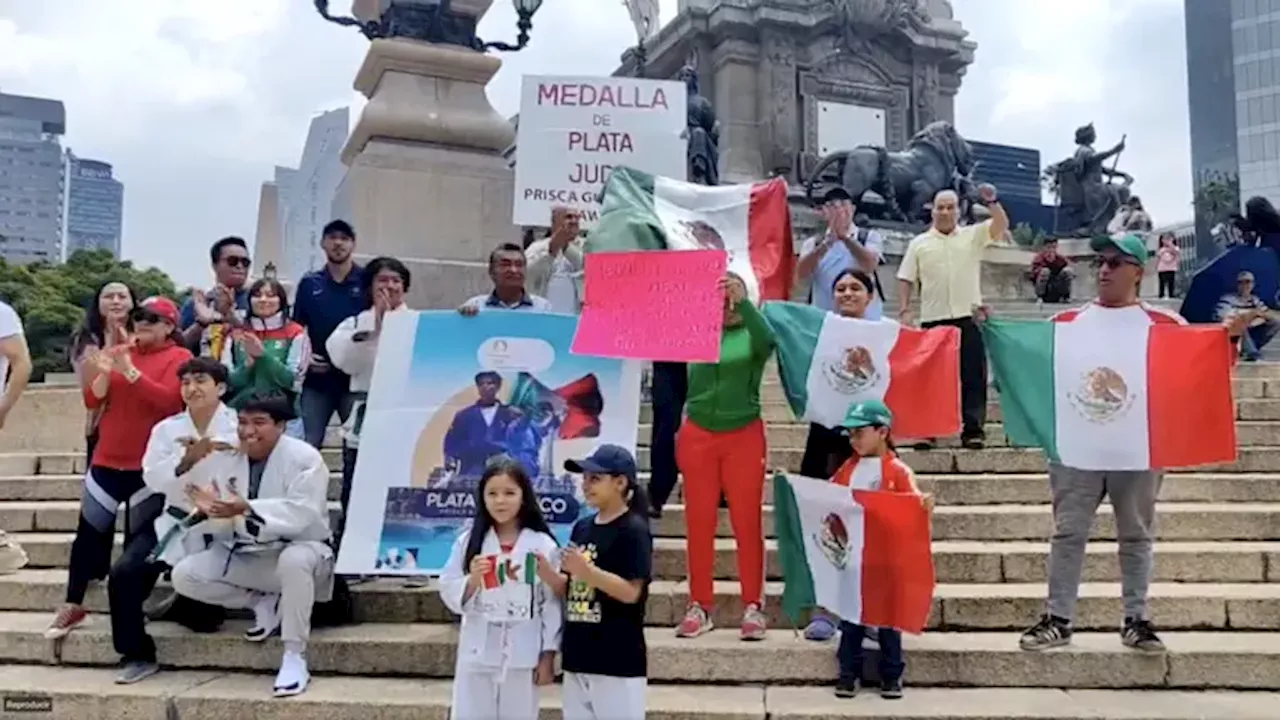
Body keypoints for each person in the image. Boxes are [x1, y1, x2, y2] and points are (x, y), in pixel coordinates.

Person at [1016, 234, 1249, 655]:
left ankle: (1136, 620)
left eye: (1116, 262)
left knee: (1136, 535)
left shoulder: (1163, 325)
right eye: (1101, 262)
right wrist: (991, 333)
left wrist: (1228, 339)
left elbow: (1207, 368)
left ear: (1139, 272)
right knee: (1068, 533)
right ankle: (1058, 619)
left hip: (1137, 449)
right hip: (1077, 449)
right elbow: (1028, 364)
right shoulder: (1066, 323)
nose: (1104, 269)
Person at [170, 392, 334, 697]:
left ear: (282, 425)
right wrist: (210, 506)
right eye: (243, 422)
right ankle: (261, 602)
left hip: (305, 552)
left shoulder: (305, 458)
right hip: (250, 552)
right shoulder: (230, 454)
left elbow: (303, 512)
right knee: (185, 575)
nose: (248, 431)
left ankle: (294, 655)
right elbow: (207, 495)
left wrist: (247, 508)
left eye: (259, 423)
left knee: (295, 560)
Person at [47, 297, 192, 639]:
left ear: (170, 326)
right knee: (88, 534)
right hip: (108, 458)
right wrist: (103, 370)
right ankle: (72, 603)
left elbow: (169, 401)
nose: (143, 323)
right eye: (139, 317)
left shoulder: (180, 358)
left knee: (136, 543)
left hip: (147, 465)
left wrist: (129, 370)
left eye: (153, 319)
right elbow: (93, 400)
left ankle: (131, 607)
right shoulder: (121, 350)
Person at [111, 357, 239, 684]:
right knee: (125, 574)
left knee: (206, 619)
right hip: (175, 520)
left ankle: (182, 604)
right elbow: (153, 477)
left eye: (201, 381)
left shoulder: (239, 426)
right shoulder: (167, 430)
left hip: (220, 525)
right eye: (186, 382)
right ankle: (136, 652)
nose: (192, 388)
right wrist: (184, 463)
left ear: (220, 387)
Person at [675, 273, 775, 640]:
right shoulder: (697, 332)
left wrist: (745, 305)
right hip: (698, 433)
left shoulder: (752, 333)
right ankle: (699, 605)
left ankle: (754, 606)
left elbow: (769, 341)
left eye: (733, 293)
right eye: (722, 293)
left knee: (746, 521)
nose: (727, 301)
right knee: (698, 521)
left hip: (744, 434)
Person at [796, 268, 886, 642]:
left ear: (870, 296)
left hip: (869, 446)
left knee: (871, 529)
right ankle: (826, 609)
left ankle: (870, 612)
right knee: (828, 524)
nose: (847, 293)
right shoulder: (820, 329)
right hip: (825, 439)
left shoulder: (886, 335)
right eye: (840, 288)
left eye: (856, 288)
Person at [439, 459, 562, 720]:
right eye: (492, 494)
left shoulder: (541, 545)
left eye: (509, 493)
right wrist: (472, 580)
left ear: (523, 497)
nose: (500, 501)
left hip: (524, 651)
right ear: (482, 497)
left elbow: (550, 603)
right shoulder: (469, 541)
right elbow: (448, 587)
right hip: (478, 649)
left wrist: (548, 653)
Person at [828, 399, 930, 700]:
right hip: (855, 562)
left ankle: (892, 674)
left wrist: (923, 505)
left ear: (882, 431)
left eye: (860, 432)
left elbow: (913, 507)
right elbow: (829, 497)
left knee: (889, 622)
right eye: (850, 434)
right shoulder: (848, 468)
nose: (854, 439)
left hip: (887, 561)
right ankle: (848, 673)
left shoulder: (898, 470)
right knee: (851, 621)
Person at [897, 185, 1009, 449]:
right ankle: (927, 430)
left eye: (950, 207)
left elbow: (1001, 224)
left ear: (959, 211)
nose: (945, 212)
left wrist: (992, 201)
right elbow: (905, 278)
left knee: (973, 376)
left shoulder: (973, 236)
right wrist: (904, 308)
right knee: (930, 380)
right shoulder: (919, 243)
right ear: (932, 211)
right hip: (933, 319)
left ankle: (973, 430)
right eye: (940, 207)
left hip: (967, 317)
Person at [559, 445, 652, 720]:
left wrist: (588, 572)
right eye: (584, 478)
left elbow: (631, 592)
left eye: (595, 479)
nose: (586, 485)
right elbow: (572, 587)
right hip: (578, 654)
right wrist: (549, 574)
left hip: (616, 657)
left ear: (620, 482)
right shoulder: (583, 527)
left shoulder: (634, 530)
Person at [327, 257, 411, 548]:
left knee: (400, 486)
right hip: (366, 413)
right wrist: (376, 328)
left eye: (396, 280)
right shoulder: (353, 324)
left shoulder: (419, 322)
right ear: (370, 286)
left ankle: (397, 548)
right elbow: (345, 362)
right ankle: (353, 548)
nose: (389, 286)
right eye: (382, 280)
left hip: (404, 417)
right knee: (356, 485)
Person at [293, 220, 364, 449]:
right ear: (323, 243)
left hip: (354, 380)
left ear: (353, 244)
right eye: (333, 238)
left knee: (357, 447)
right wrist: (306, 356)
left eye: (344, 238)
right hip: (317, 381)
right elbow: (295, 329)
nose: (338, 243)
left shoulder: (366, 282)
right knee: (306, 446)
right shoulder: (309, 283)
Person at [222, 278, 310, 433]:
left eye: (270, 295)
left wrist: (264, 357)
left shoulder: (296, 333)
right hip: (239, 417)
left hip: (283, 418)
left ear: (281, 301)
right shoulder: (236, 334)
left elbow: (293, 382)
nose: (263, 300)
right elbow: (227, 383)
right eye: (257, 295)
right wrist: (247, 366)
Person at [69, 281, 137, 465]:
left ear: (132, 303)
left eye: (122, 297)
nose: (116, 301)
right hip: (102, 420)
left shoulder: (144, 333)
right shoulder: (86, 338)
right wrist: (111, 344)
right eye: (108, 297)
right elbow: (90, 382)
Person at [797, 187, 885, 319]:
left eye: (844, 205)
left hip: (864, 319)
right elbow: (801, 273)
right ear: (823, 212)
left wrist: (846, 238)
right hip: (825, 317)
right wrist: (826, 244)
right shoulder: (813, 243)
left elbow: (870, 265)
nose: (839, 210)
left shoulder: (869, 237)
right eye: (832, 206)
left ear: (853, 209)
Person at [443, 372, 521, 479]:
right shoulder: (464, 415)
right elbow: (452, 441)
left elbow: (520, 442)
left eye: (490, 383)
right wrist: (450, 458)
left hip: (502, 468)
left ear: (498, 386)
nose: (485, 387)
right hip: (471, 468)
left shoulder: (510, 414)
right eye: (481, 384)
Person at [180, 236, 252, 353]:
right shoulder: (197, 304)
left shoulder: (259, 301)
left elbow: (264, 345)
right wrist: (201, 324)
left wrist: (230, 317)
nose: (240, 266)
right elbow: (179, 348)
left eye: (245, 262)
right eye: (232, 261)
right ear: (214, 265)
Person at [459, 244, 552, 315]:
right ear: (491, 272)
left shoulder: (543, 309)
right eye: (505, 264)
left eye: (519, 265)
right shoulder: (476, 307)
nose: (513, 270)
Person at [525, 207, 584, 314]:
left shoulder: (587, 246)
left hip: (578, 319)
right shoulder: (537, 247)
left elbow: (589, 269)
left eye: (577, 218)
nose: (574, 221)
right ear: (554, 222)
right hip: (544, 317)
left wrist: (566, 247)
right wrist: (550, 252)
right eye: (568, 217)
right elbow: (527, 274)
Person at [1216, 270, 1278, 361]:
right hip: (1230, 334)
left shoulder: (1255, 300)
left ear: (1253, 285)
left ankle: (1250, 347)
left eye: (1248, 282)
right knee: (1239, 323)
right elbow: (1224, 316)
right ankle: (1252, 353)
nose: (1245, 285)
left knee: (1275, 322)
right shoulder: (1227, 299)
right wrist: (1252, 314)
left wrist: (1254, 319)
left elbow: (1266, 313)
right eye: (1241, 282)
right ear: (1237, 285)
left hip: (1249, 331)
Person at [1030, 238, 1074, 303]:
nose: (1051, 250)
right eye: (1048, 247)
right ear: (1044, 247)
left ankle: (1066, 296)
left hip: (1057, 286)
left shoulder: (1059, 258)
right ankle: (1040, 297)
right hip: (1045, 288)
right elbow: (1034, 273)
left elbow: (1068, 265)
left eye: (1053, 247)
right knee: (1045, 271)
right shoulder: (1039, 258)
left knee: (1068, 271)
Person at [1155, 234, 1181, 299]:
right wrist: (1156, 265)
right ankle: (1161, 294)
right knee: (1162, 282)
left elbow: (1176, 252)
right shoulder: (1161, 249)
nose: (1166, 241)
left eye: (1168, 239)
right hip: (1162, 268)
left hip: (1171, 268)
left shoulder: (1176, 248)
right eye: (1164, 239)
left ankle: (1171, 294)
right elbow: (1158, 256)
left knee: (1171, 282)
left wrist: (1170, 244)